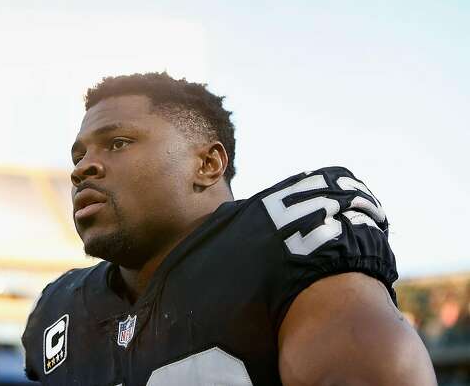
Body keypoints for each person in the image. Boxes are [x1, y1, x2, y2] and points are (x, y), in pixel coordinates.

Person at [22, 72, 436, 385]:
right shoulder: (60, 310)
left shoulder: (283, 236)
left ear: (207, 164)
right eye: (79, 154)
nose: (82, 168)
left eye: (118, 143)